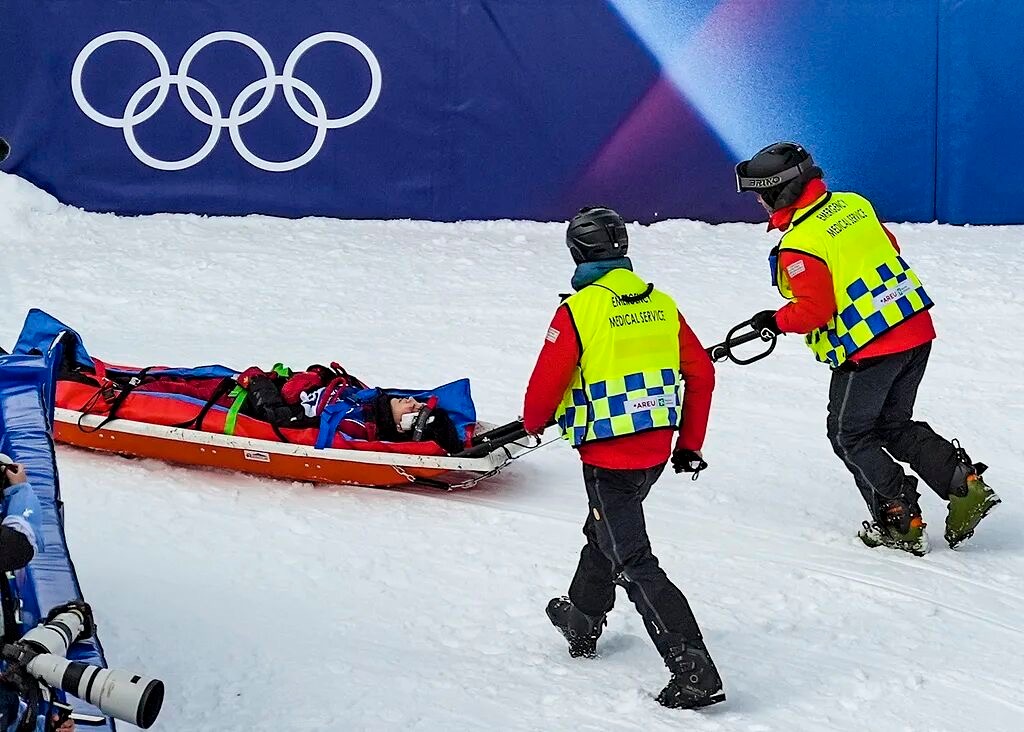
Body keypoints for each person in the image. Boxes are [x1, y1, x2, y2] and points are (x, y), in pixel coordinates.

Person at [735, 141, 1001, 556]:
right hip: (915, 330)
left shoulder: (800, 243)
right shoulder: (853, 205)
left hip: (869, 350)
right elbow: (889, 248)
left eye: (760, 195)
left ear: (778, 192)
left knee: (848, 435)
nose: (759, 204)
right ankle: (964, 486)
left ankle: (900, 519)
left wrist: (774, 320)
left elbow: (814, 311)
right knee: (893, 425)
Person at [522, 206, 724, 709]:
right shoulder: (662, 304)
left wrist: (532, 423)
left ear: (577, 252)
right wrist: (689, 444)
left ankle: (693, 668)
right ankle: (582, 618)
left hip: (608, 460)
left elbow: (544, 390)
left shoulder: (578, 311)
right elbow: (701, 374)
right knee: (606, 533)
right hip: (654, 452)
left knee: (633, 560)